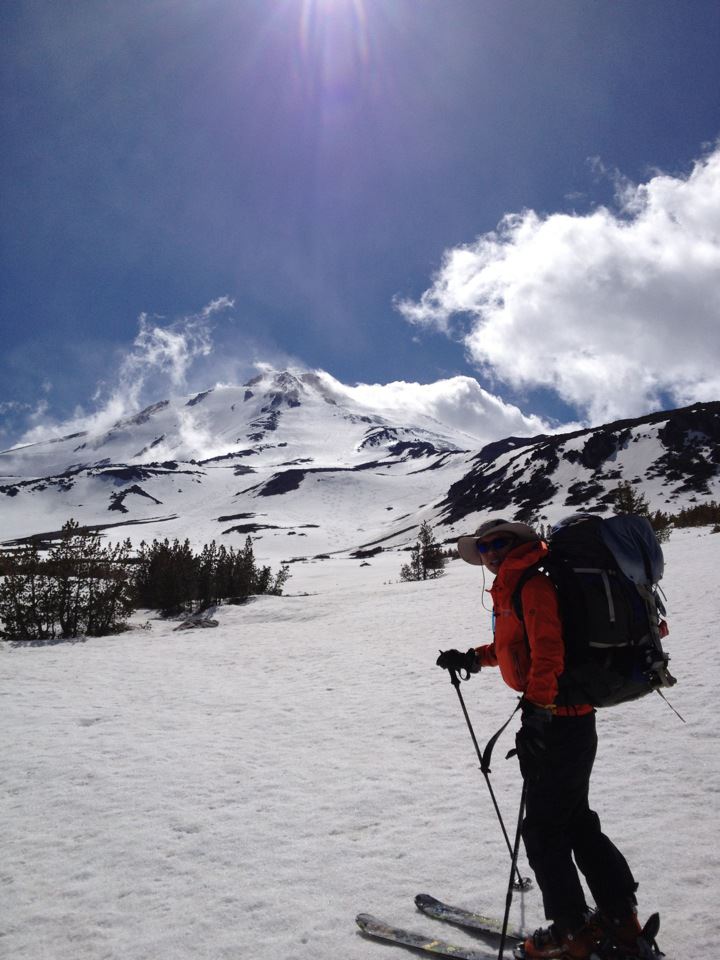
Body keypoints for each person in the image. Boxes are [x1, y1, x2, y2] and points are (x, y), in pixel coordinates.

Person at [437, 518, 647, 960]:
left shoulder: (532, 584)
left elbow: (549, 651)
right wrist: (473, 659)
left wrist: (538, 715)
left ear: (519, 544)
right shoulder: (518, 585)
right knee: (575, 820)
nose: (491, 552)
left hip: (559, 720)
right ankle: (620, 918)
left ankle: (572, 934)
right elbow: (518, 646)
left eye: (499, 543)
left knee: (544, 829)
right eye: (485, 546)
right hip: (566, 717)